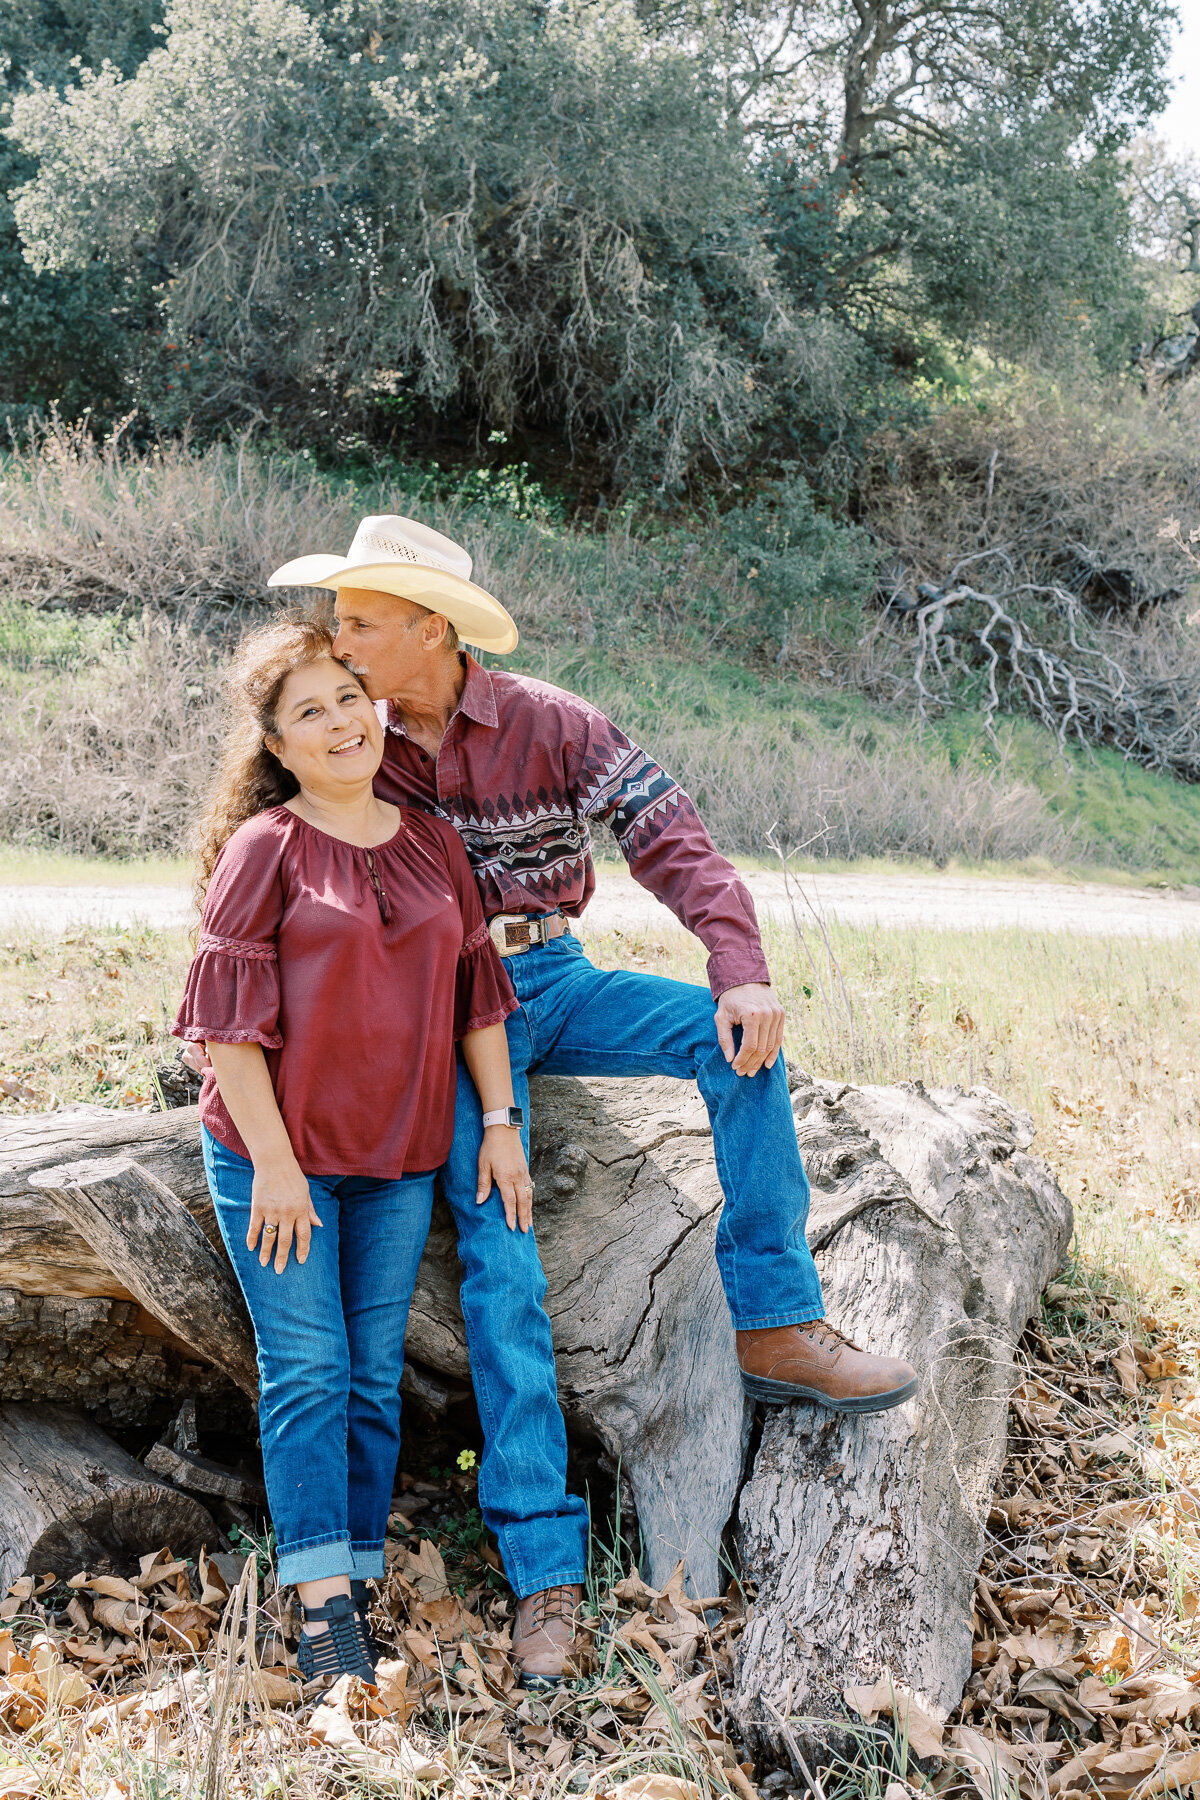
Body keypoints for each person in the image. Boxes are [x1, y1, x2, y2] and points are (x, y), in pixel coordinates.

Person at [172, 614, 526, 1691]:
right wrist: (276, 1166)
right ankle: (324, 1611)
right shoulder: (264, 849)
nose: (338, 724)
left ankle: (355, 1569)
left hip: (399, 1157)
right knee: (312, 1371)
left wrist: (501, 1124)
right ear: (276, 746)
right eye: (307, 712)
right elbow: (226, 1031)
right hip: (278, 1157)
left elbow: (477, 993)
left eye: (346, 699)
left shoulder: (432, 843)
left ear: (378, 710)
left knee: (372, 1379)